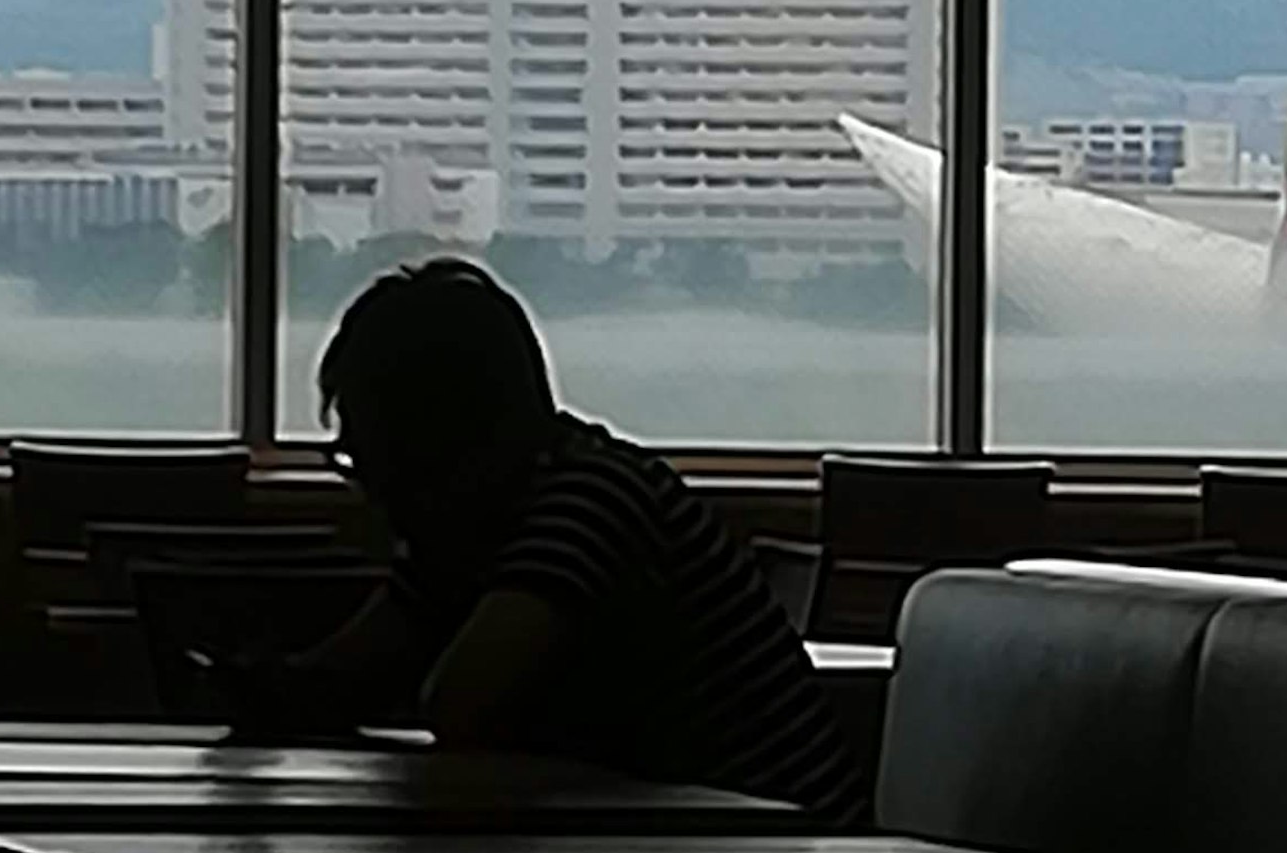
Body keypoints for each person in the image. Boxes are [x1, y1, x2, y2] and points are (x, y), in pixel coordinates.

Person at [251, 260, 861, 815]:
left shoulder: (593, 503)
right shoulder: (515, 509)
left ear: (432, 445)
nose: (373, 492)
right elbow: (344, 679)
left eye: (369, 457)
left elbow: (462, 704)